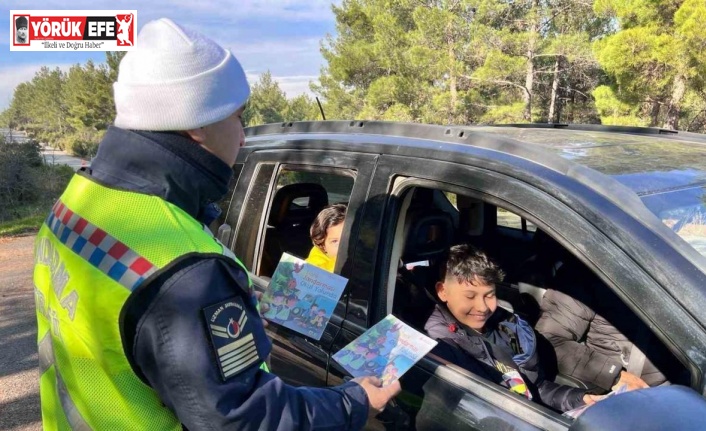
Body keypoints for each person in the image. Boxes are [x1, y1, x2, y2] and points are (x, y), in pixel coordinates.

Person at [33, 18, 399, 430]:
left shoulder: (77, 203)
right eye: (238, 117)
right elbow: (241, 418)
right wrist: (354, 401)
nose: (242, 137)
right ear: (195, 122)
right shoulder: (187, 271)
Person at [424, 244, 604, 412]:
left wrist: (579, 399)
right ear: (442, 291)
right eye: (470, 296)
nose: (483, 307)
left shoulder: (505, 328)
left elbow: (535, 387)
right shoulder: (440, 345)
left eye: (490, 295)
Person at [535, 256, 673, 393]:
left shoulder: (667, 268)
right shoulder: (583, 275)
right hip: (637, 391)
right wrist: (615, 376)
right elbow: (549, 340)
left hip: (679, 377)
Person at [305, 203, 346, 272]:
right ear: (322, 245)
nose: (343, 247)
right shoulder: (315, 266)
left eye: (348, 239)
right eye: (335, 241)